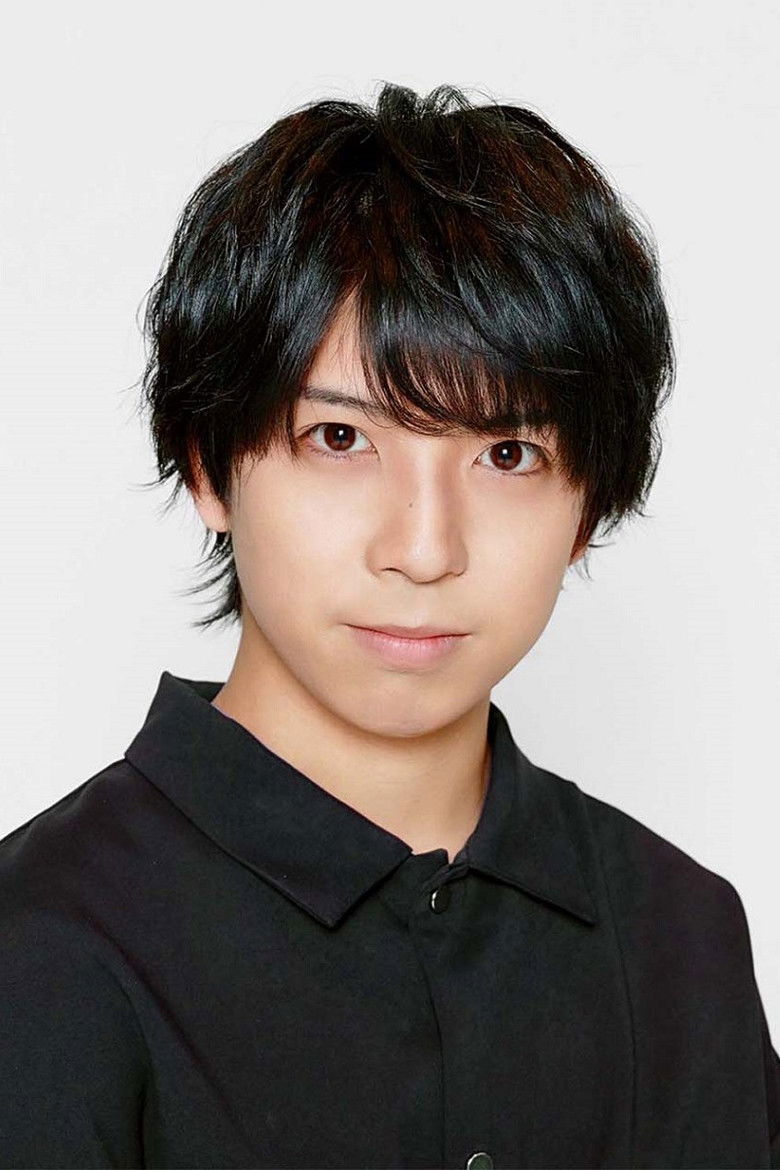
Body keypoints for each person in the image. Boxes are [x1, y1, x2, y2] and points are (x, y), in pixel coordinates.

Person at [1, 81, 777, 1170]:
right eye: (339, 439)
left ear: (588, 508)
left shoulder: (681, 936)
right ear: (208, 467)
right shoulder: (43, 944)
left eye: (508, 454)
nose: (423, 548)